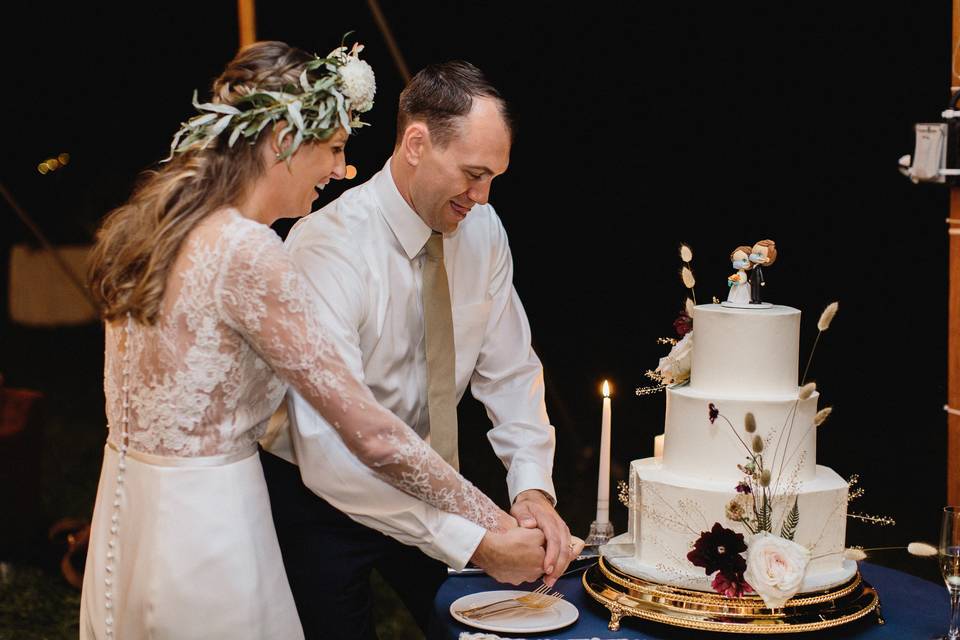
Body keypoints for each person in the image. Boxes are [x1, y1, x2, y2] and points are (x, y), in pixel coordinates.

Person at [79, 41, 540, 640]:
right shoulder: (250, 249)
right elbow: (369, 434)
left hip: (130, 507)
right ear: (282, 142)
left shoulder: (154, 228)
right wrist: (489, 527)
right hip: (214, 519)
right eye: (334, 148)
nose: (341, 169)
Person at [260, 60, 578, 639]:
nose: (482, 197)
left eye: (494, 179)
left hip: (429, 479)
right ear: (415, 143)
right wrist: (477, 542)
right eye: (473, 174)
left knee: (491, 628)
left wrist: (531, 488)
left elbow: (509, 372)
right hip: (316, 493)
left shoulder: (483, 230)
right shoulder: (327, 247)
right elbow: (331, 448)